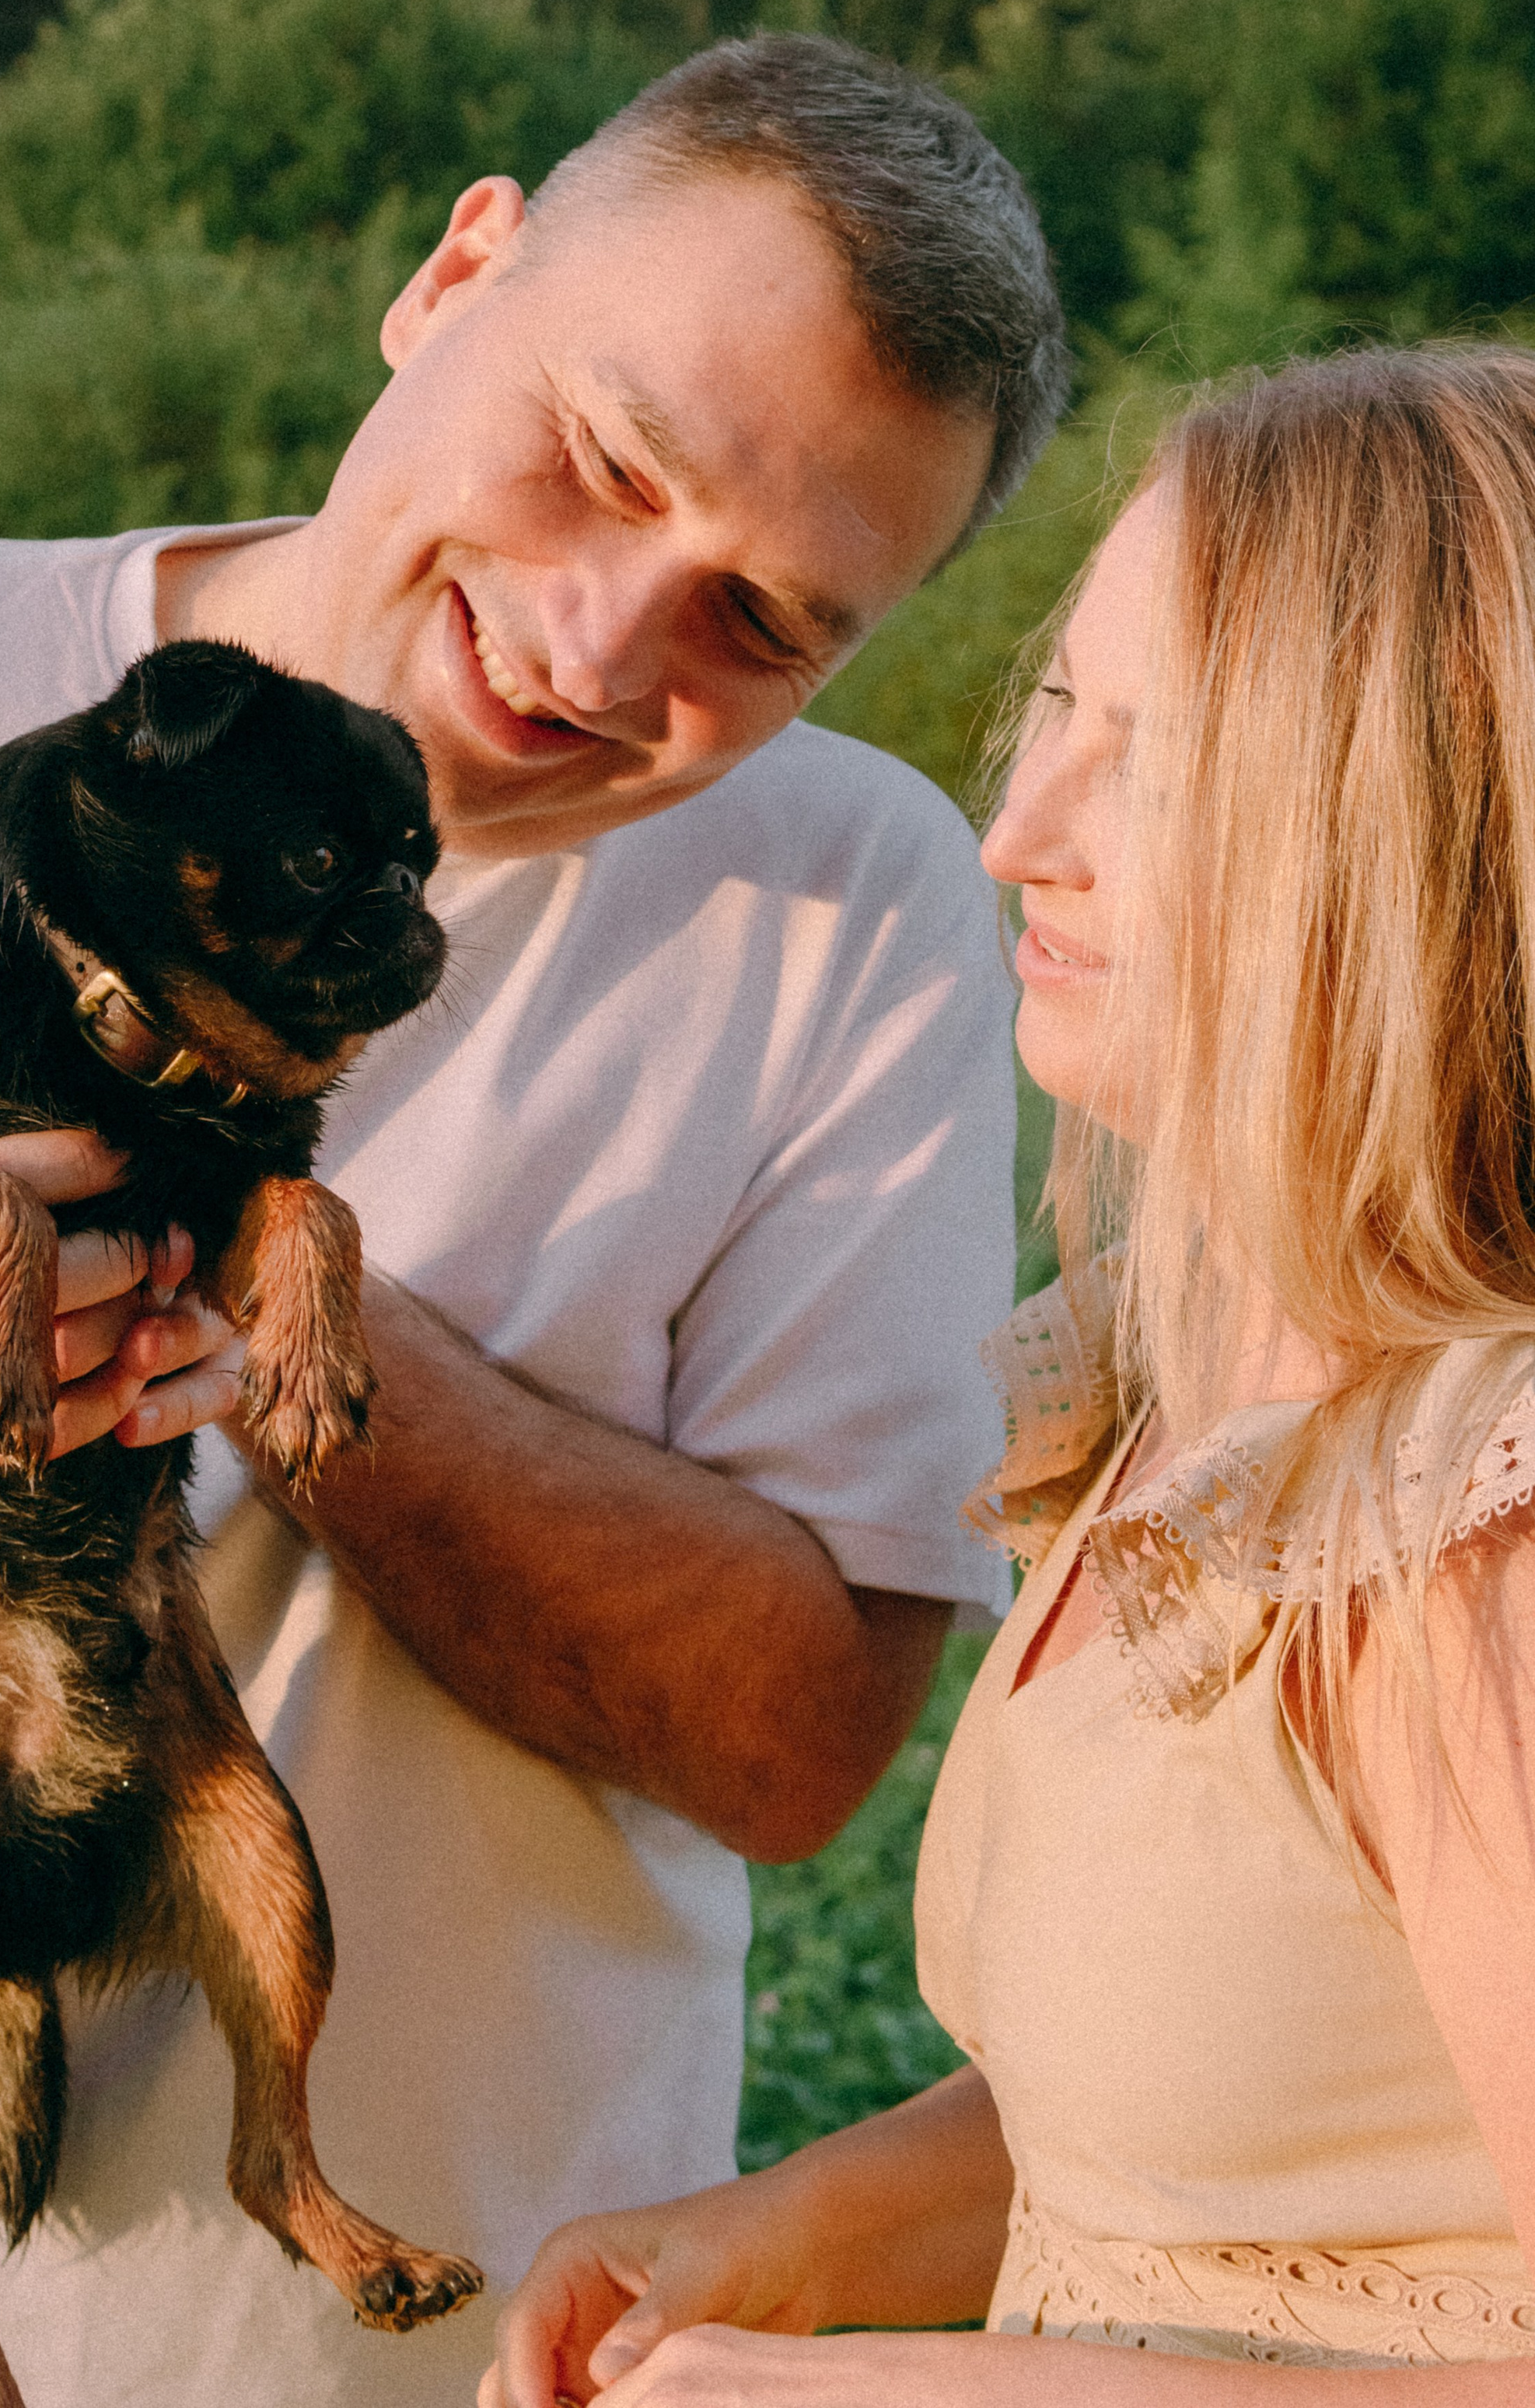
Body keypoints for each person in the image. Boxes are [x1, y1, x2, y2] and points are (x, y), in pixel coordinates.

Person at [0, 36, 1068, 2408]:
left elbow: (793, 1750)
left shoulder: (859, 910)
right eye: (601, 459)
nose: (594, 655)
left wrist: (266, 1296)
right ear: (454, 271)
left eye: (764, 625)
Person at [481, 341, 1535, 2406]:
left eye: (1154, 764)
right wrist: (789, 2242)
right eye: (1057, 716)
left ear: (1410, 840)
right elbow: (1239, 2114)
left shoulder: (1479, 1527)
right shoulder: (1201, 1404)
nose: (1018, 832)